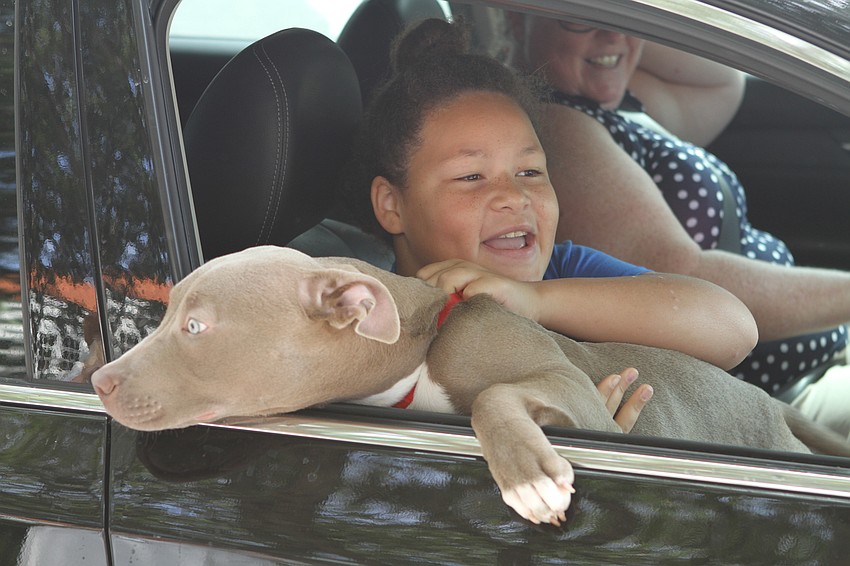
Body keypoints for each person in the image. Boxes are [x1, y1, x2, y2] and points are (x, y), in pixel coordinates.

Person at [341, 18, 759, 432]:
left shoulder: (562, 272)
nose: (514, 196)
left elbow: (734, 329)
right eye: (471, 177)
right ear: (391, 204)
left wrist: (536, 301)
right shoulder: (373, 328)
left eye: (530, 172)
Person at [504, 14, 850, 419]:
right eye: (581, 18)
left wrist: (640, 25)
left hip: (818, 361)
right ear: (517, 21)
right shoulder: (559, 128)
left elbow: (724, 78)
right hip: (773, 402)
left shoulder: (616, 104)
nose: (611, 31)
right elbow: (685, 275)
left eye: (623, 13)